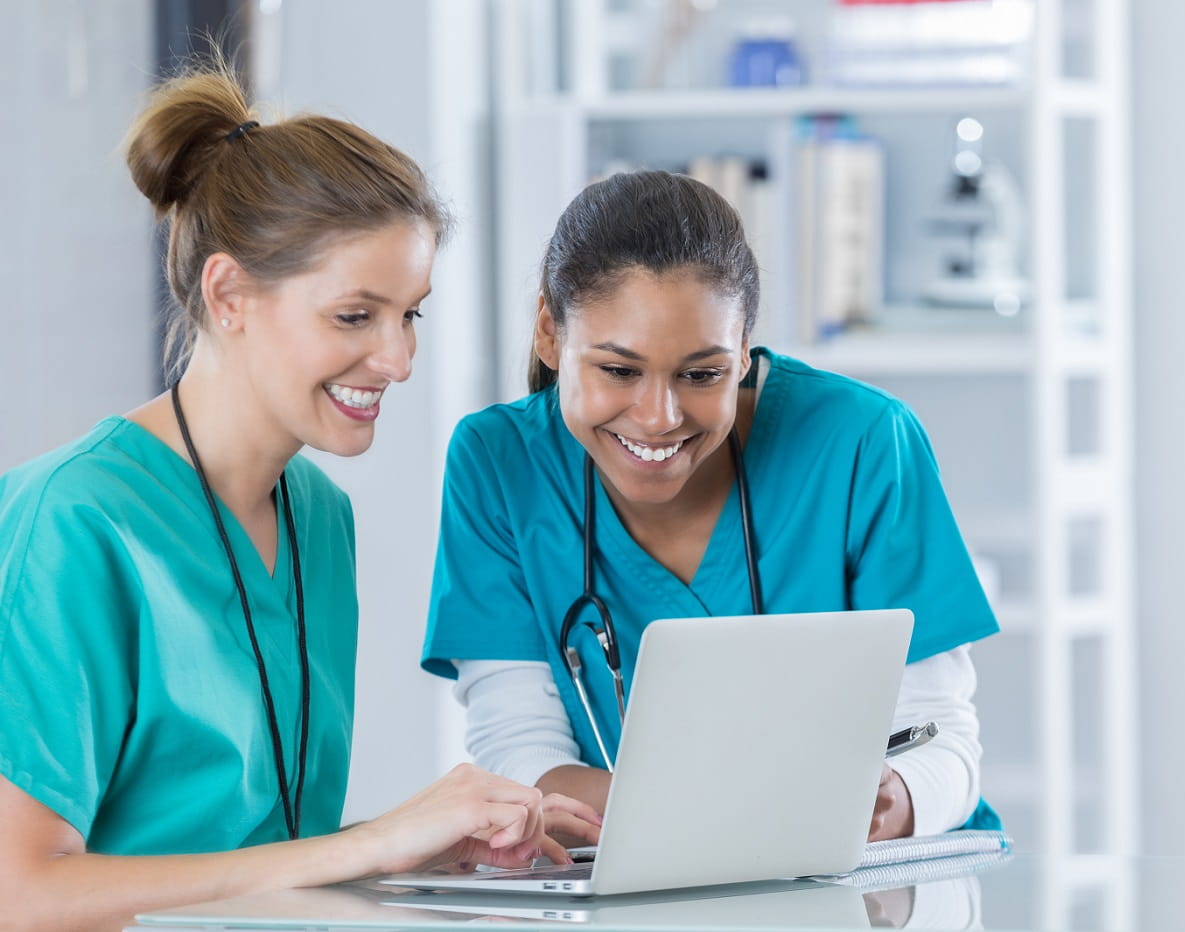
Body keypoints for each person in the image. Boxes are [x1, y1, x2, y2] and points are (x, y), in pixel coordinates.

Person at [0, 63, 598, 931]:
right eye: (355, 316)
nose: (398, 360)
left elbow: (258, 852)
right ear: (229, 294)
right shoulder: (70, 524)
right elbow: (19, 894)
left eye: (410, 315)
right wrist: (371, 845)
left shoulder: (317, 516)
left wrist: (422, 844)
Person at [422, 170, 1000, 840]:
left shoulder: (862, 442)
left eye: (702, 374)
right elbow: (521, 757)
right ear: (550, 331)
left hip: (861, 882)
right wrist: (737, 814)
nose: (660, 417)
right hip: (620, 879)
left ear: (744, 349)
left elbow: (942, 741)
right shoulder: (498, 462)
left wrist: (892, 798)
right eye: (619, 370)